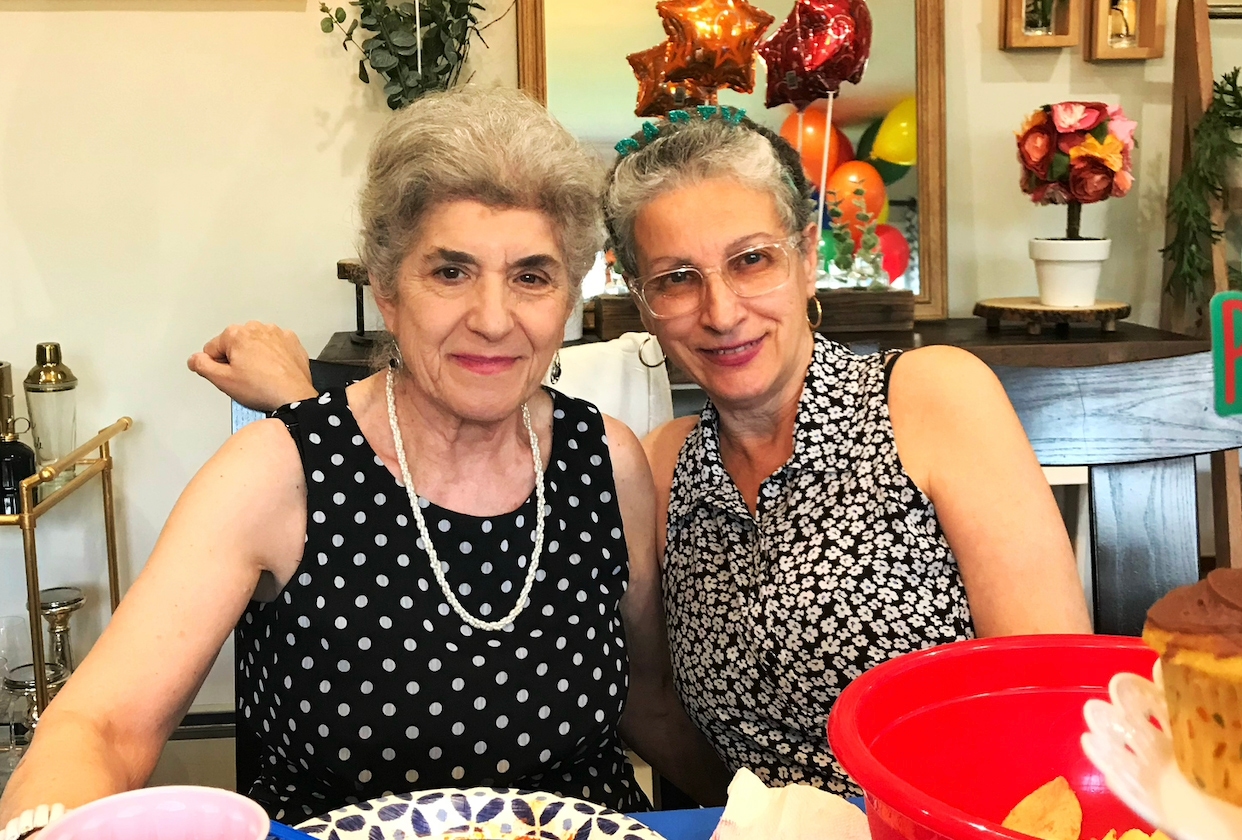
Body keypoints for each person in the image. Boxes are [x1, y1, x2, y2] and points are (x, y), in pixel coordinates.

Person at [185, 107, 1092, 797]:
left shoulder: (929, 395)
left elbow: (1050, 697)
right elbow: (647, 702)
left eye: (751, 261)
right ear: (641, 305)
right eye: (676, 280)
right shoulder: (654, 468)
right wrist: (311, 414)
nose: (723, 311)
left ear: (808, 260)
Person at [0, 87, 729, 833]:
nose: (492, 317)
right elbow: (101, 726)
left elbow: (649, 698)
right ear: (386, 290)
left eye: (531, 276)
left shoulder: (604, 461)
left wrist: (765, 811)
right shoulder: (275, 472)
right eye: (449, 272)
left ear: (568, 296)